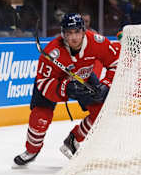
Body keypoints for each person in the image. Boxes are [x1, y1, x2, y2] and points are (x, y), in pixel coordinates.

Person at [13, 13, 119, 166]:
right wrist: (65, 88)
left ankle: (73, 140)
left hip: (84, 78)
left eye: (77, 32)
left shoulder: (97, 42)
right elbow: (43, 82)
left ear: (83, 31)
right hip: (53, 82)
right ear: (63, 34)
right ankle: (32, 150)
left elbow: (115, 63)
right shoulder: (52, 51)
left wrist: (106, 84)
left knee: (101, 113)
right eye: (69, 33)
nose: (74, 37)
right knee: (40, 118)